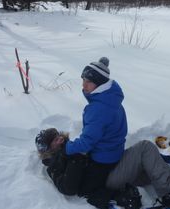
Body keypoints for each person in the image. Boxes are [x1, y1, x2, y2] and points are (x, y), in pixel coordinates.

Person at [36, 128, 170, 209]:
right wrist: (74, 157)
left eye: (58, 135)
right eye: (55, 140)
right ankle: (168, 194)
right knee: (145, 147)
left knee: (155, 164)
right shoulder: (55, 165)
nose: (61, 139)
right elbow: (68, 188)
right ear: (49, 149)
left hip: (111, 167)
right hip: (107, 177)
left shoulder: (71, 147)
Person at [36, 57, 128, 198]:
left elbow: (87, 142)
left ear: (99, 83)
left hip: (105, 159)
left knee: (89, 191)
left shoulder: (98, 108)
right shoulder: (112, 99)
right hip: (112, 151)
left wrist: (69, 150)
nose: (83, 85)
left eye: (88, 81)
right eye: (83, 80)